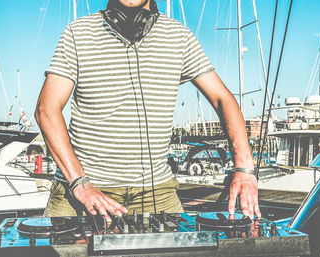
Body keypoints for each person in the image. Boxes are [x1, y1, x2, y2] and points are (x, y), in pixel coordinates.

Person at [35, 0, 260, 222]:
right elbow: (47, 109)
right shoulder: (78, 33)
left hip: (156, 193)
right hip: (79, 193)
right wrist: (79, 183)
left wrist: (244, 168)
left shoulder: (178, 36)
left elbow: (223, 98)